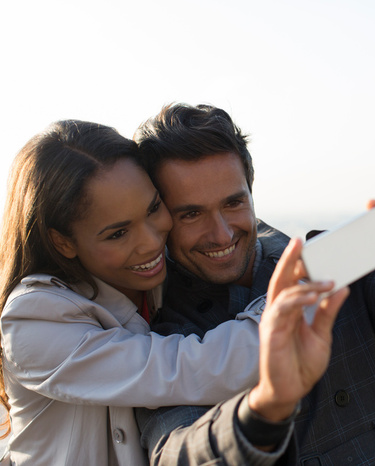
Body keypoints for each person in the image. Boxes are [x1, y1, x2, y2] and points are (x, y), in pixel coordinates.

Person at [134, 103, 375, 465]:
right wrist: (269, 403)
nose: (221, 233)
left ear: (251, 193)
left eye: (233, 203)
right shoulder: (163, 334)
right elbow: (173, 453)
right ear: (160, 218)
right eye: (192, 214)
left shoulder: (327, 259)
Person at [0, 120, 348, 465]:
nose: (151, 242)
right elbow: (193, 368)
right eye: (118, 233)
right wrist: (300, 290)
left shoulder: (154, 271)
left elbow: (263, 244)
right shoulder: (33, 321)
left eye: (153, 209)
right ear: (62, 241)